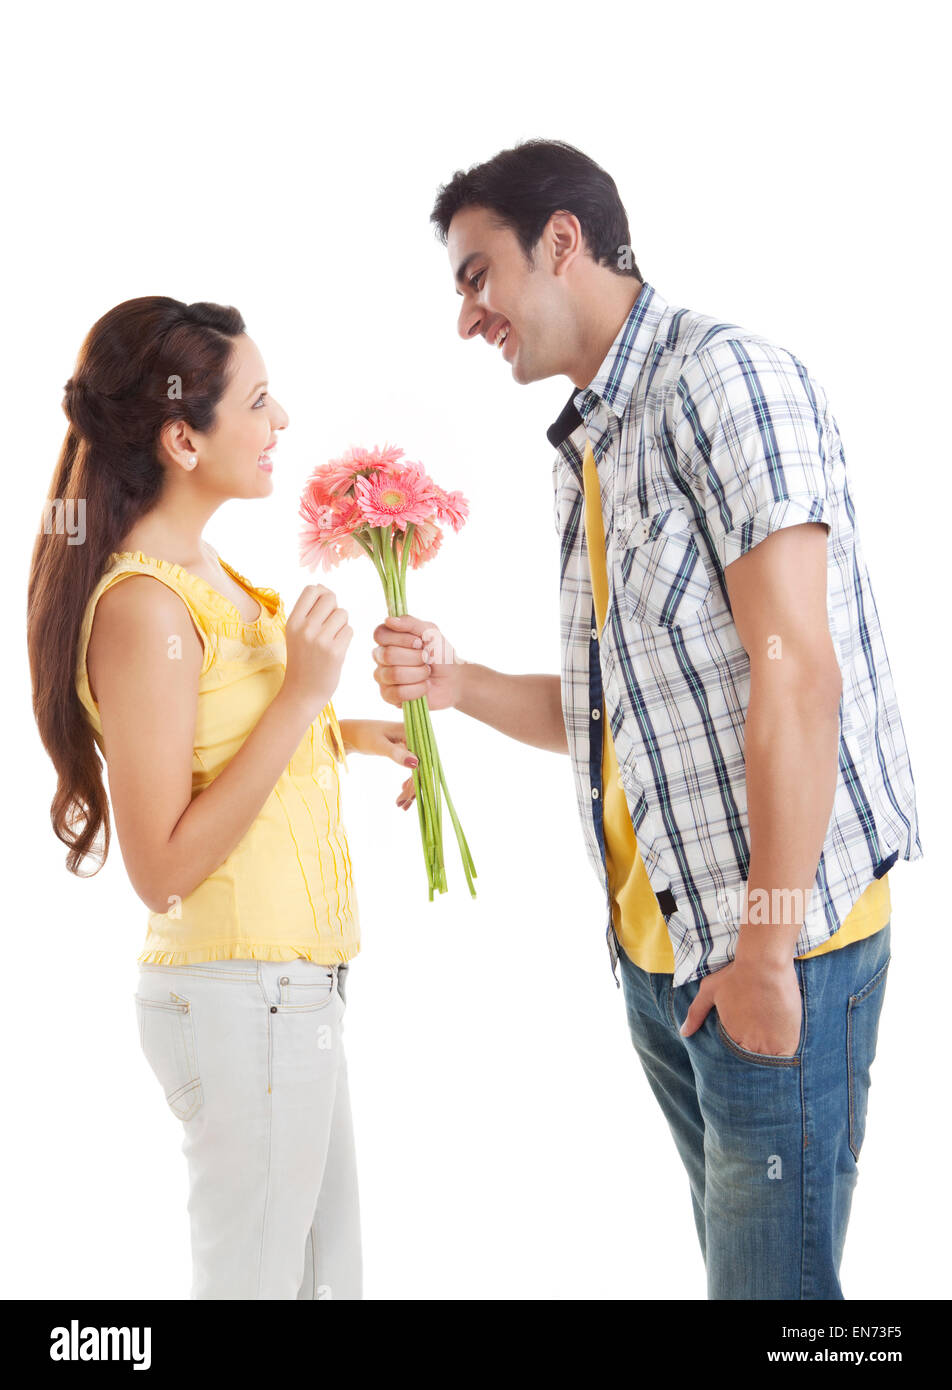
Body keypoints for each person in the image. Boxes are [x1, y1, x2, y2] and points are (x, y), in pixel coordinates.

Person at [371, 140, 922, 1299]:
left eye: (478, 274)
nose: (468, 314)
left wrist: (766, 944)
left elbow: (799, 676)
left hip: (776, 951)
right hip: (664, 961)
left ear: (561, 242)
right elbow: (627, 713)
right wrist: (457, 685)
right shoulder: (592, 441)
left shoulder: (725, 380)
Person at [27, 296, 418, 1300]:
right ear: (180, 437)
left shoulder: (203, 571)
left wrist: (342, 734)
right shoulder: (146, 606)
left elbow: (214, 742)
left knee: (325, 1287)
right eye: (256, 399)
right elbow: (159, 866)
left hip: (289, 991)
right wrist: (301, 695)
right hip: (243, 996)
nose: (281, 419)